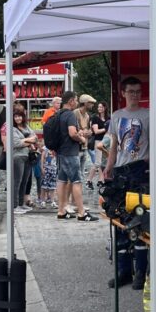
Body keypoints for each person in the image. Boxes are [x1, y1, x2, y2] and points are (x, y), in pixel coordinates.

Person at [105, 77, 150, 288]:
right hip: (121, 171)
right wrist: (108, 166)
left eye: (138, 91)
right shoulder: (116, 116)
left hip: (140, 170)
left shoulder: (148, 115)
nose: (135, 95)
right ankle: (124, 270)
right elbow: (114, 145)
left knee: (139, 220)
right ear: (123, 93)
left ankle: (141, 271)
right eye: (131, 91)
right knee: (120, 220)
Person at [55, 91, 96, 221]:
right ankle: (82, 213)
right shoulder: (70, 115)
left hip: (61, 151)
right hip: (71, 152)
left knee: (61, 181)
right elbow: (72, 133)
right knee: (76, 181)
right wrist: (82, 139)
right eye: (76, 100)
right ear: (71, 101)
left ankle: (61, 211)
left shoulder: (58, 114)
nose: (77, 103)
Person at [9, 108, 38, 214]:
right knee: (17, 181)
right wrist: (29, 141)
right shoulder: (12, 129)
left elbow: (35, 137)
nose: (18, 118)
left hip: (27, 157)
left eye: (19, 116)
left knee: (24, 182)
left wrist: (26, 140)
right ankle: (14, 206)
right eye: (15, 116)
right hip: (17, 157)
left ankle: (21, 204)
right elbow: (16, 143)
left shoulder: (26, 126)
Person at [86, 100, 109, 189]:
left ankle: (101, 180)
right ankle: (88, 180)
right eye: (98, 107)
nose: (99, 108)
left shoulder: (108, 118)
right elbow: (96, 131)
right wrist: (105, 128)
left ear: (105, 108)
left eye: (101, 107)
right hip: (98, 141)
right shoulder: (95, 118)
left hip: (107, 142)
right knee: (97, 163)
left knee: (104, 163)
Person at [76, 94, 95, 184]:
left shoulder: (87, 115)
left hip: (84, 146)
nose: (92, 105)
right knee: (75, 175)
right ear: (85, 103)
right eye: (91, 103)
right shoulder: (76, 112)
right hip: (76, 147)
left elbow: (88, 129)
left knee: (81, 175)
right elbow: (73, 129)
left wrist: (89, 132)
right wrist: (85, 132)